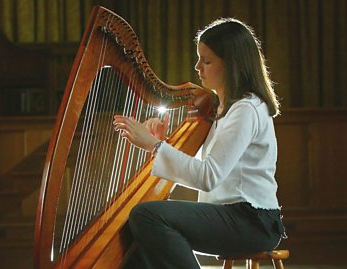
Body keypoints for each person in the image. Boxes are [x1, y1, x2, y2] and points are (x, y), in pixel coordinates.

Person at [113, 17, 286, 269]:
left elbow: (208, 177)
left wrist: (154, 146)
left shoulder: (246, 109)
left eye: (206, 61)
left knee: (147, 215)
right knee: (134, 237)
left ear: (232, 66)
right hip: (231, 215)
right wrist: (164, 143)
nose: (197, 67)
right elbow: (212, 167)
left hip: (251, 220)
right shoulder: (223, 108)